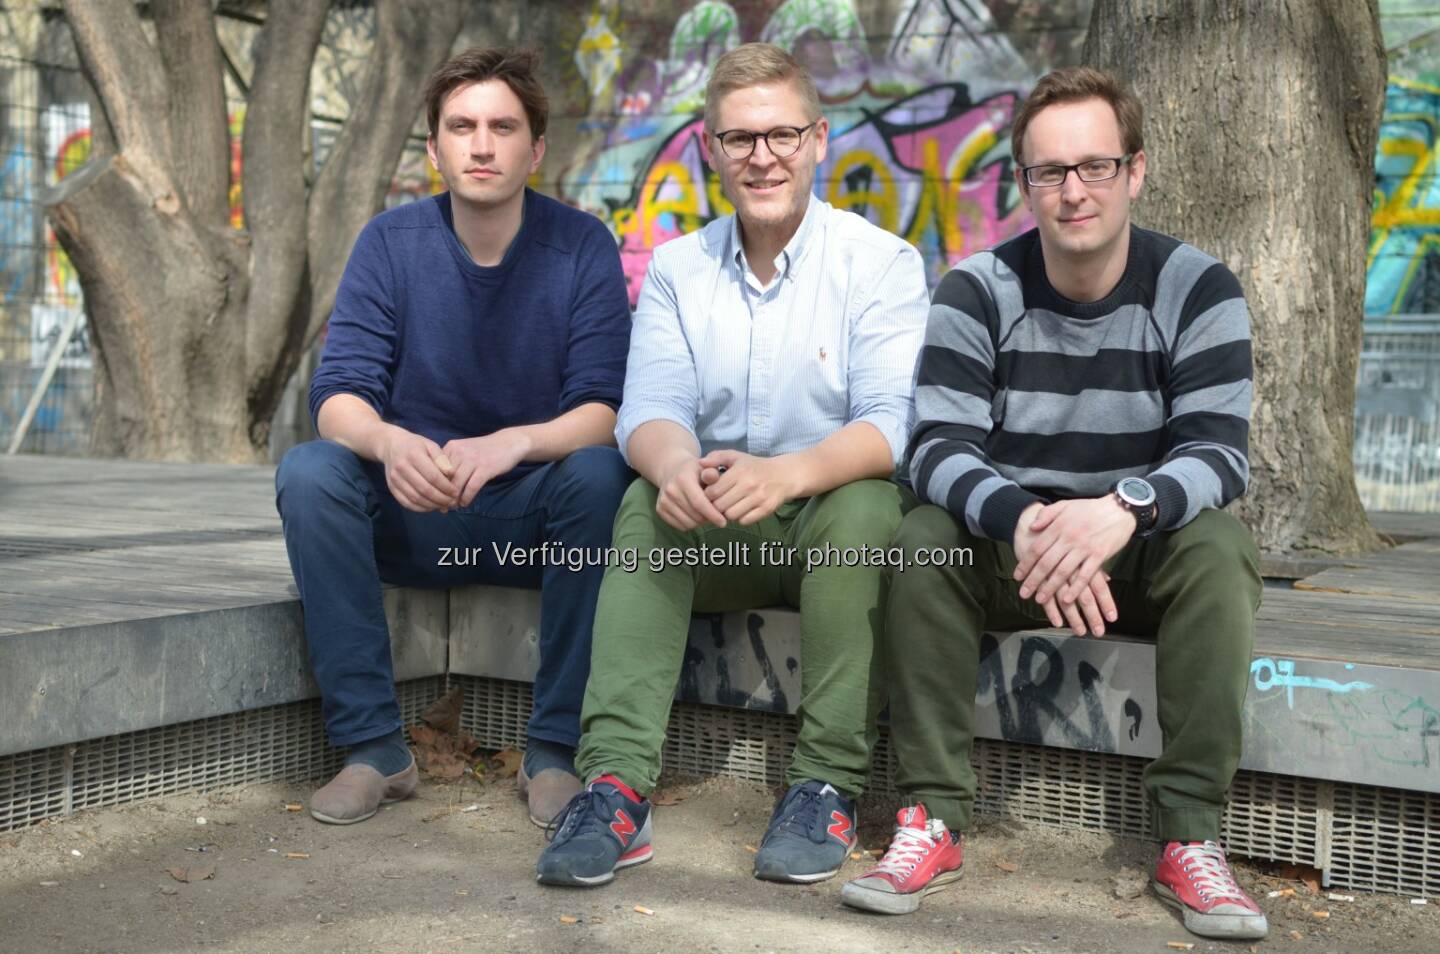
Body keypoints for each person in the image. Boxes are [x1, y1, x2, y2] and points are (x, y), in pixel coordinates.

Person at [841, 67, 1267, 942]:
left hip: (1135, 547)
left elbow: (1220, 453)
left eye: (1095, 166)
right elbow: (936, 450)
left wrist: (1124, 507)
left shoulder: (1198, 288)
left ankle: (1189, 835)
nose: (1073, 191)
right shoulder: (976, 290)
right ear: (1024, 182)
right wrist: (1031, 522)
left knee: (1220, 551)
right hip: (1014, 546)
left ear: (1136, 170)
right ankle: (931, 818)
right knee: (923, 539)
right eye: (1049, 172)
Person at [533, 42, 929, 888]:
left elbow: (891, 425)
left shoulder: (882, 262)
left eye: (782, 135)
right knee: (644, 503)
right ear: (711, 150)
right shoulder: (678, 269)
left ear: (819, 140)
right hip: (719, 526)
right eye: (740, 139)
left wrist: (784, 475)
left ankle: (824, 785)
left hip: (826, 523)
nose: (763, 157)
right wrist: (674, 466)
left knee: (867, 508)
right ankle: (614, 788)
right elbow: (649, 410)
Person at [275, 47, 632, 829]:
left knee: (602, 477)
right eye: (461, 126)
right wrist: (389, 444)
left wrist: (513, 443)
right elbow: (337, 395)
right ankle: (375, 752)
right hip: (414, 512)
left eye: (502, 127)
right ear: (434, 146)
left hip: (530, 524)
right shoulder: (389, 243)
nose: (481, 144)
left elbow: (605, 408)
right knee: (311, 473)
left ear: (535, 149)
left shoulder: (581, 246)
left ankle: (554, 752)